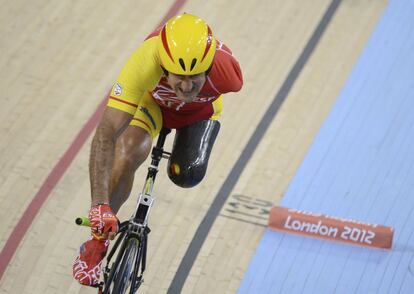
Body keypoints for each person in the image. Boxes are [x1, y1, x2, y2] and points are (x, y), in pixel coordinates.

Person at [72, 13, 243, 286]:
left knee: (186, 174)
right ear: (164, 65)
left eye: (195, 78)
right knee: (128, 152)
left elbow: (209, 96)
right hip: (152, 105)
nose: (186, 87)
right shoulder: (145, 60)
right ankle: (96, 245)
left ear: (209, 68)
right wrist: (99, 205)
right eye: (178, 76)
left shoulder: (229, 74)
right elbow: (105, 134)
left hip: (197, 115)